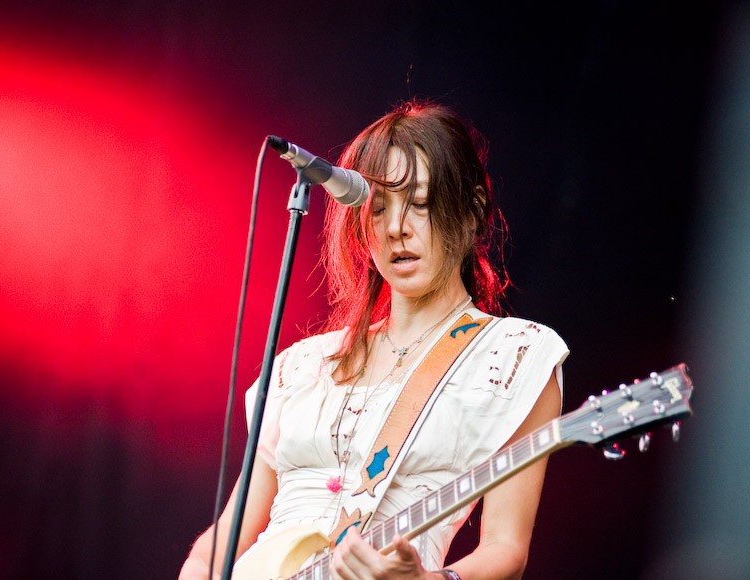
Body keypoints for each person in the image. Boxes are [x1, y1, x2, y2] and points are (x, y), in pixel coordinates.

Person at [179, 102, 568, 580]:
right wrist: (198, 569)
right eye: (377, 207)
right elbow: (226, 536)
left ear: (473, 211)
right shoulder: (303, 365)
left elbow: (506, 550)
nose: (395, 227)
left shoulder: (512, 357)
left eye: (420, 203)